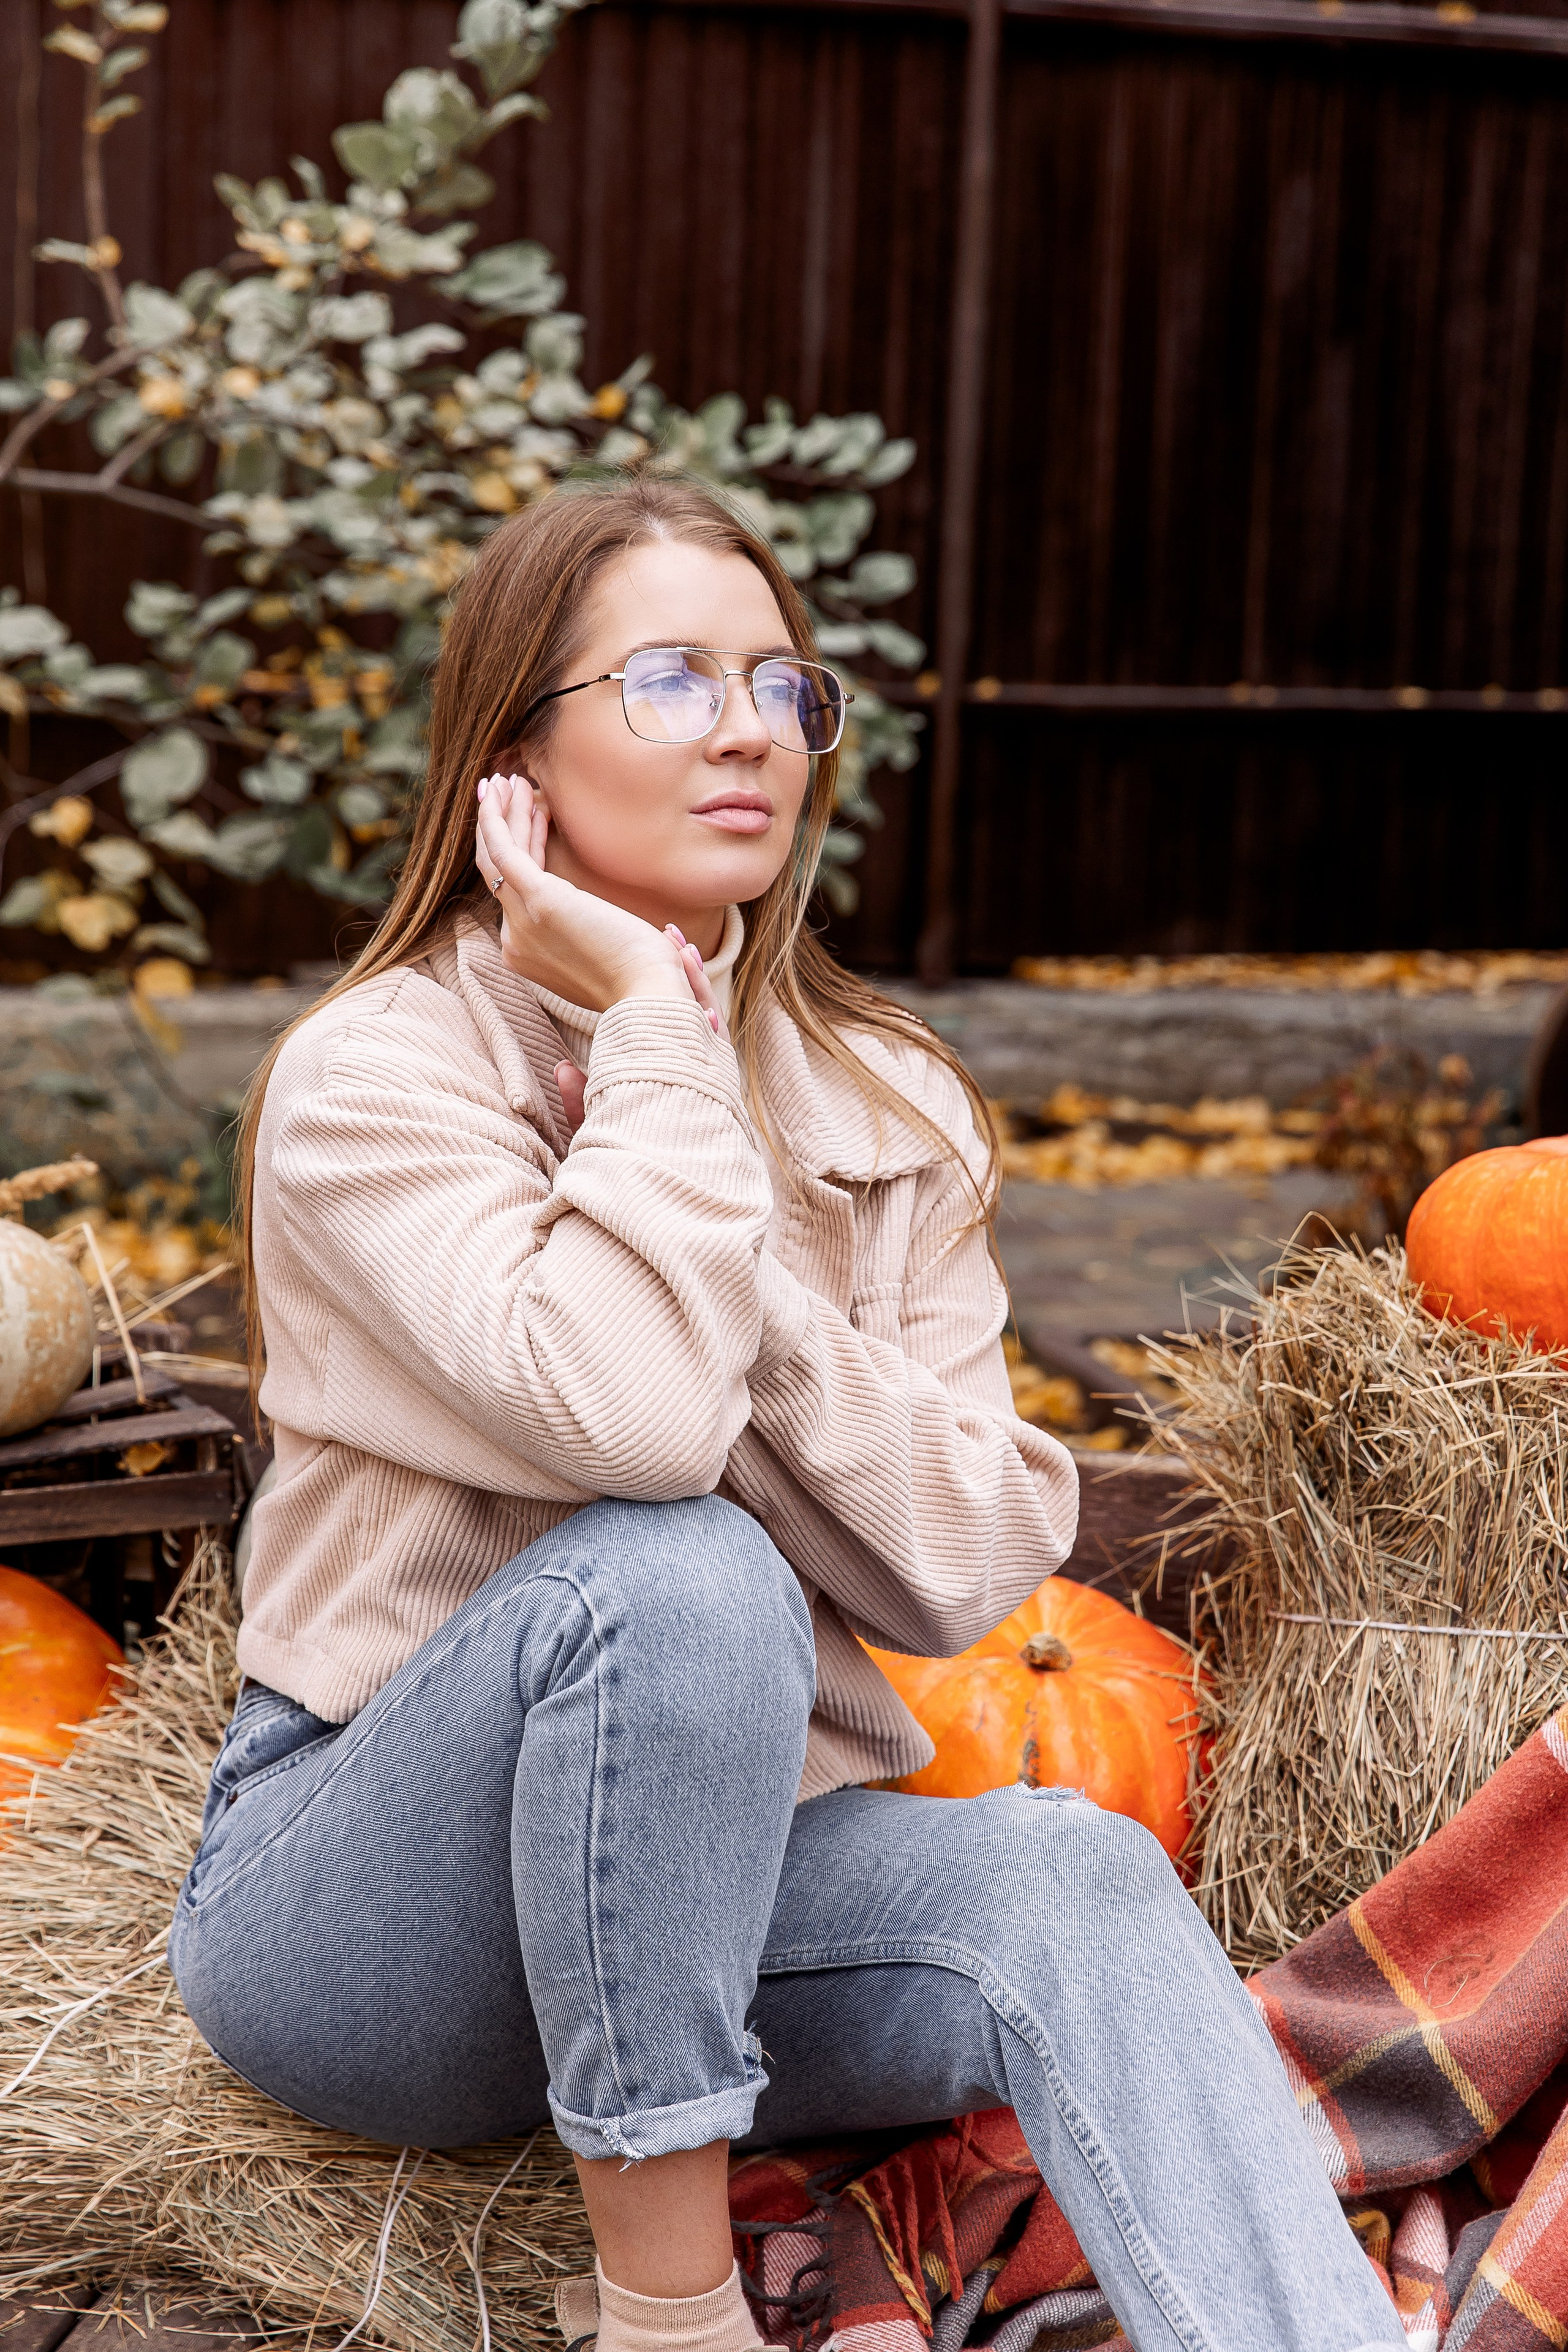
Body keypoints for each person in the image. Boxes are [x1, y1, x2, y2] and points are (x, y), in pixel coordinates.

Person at [169, 477, 1403, 2352]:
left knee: (1072, 1868)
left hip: (735, 1885)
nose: (754, 727)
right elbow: (640, 1434)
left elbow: (971, 1557)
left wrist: (715, 1216)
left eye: (782, 684)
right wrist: (661, 1045)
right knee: (676, 1574)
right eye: (671, 680)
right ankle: (667, 2314)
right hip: (370, 1922)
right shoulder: (378, 1079)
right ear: (515, 759)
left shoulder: (886, 1100)